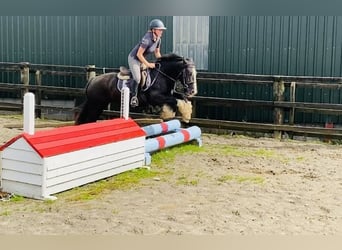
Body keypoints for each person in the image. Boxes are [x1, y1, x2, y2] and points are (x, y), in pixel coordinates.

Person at [128, 19, 167, 107]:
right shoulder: (146, 39)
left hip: (141, 58)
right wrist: (148, 64)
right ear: (153, 30)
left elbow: (157, 53)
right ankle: (133, 97)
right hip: (134, 58)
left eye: (162, 30)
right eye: (160, 30)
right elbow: (139, 54)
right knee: (137, 78)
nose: (161, 32)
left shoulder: (158, 39)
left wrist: (162, 62)